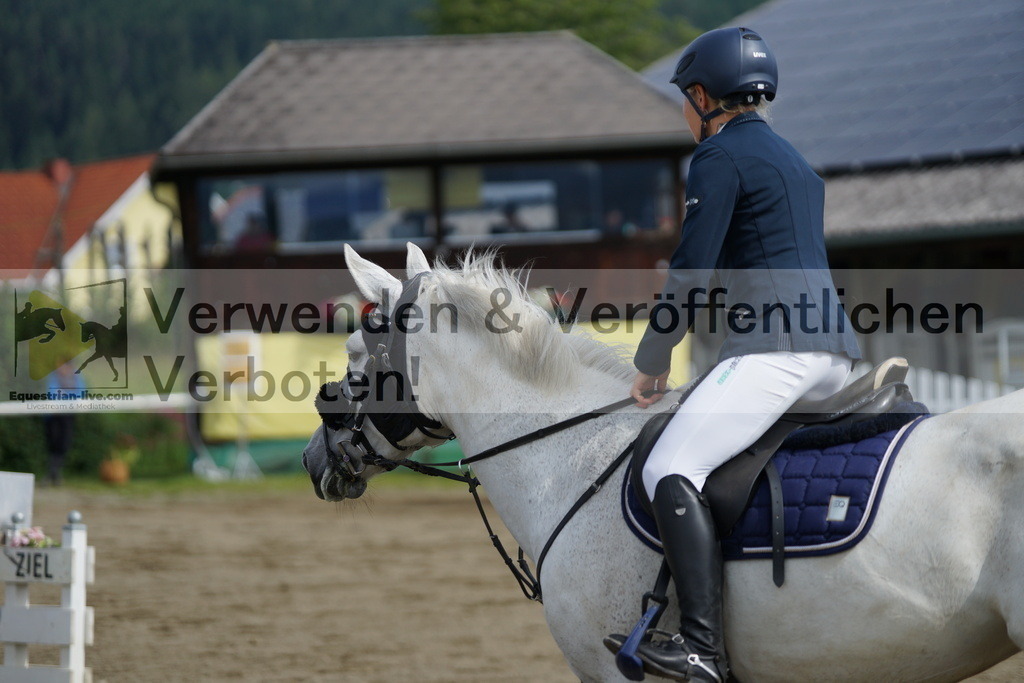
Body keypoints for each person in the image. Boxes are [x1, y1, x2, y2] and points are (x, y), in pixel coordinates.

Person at [604, 28, 861, 682]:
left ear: (701, 95)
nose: (684, 116)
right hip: (834, 352)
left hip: (780, 349)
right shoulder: (793, 160)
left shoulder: (719, 158)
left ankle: (700, 649)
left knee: (669, 464)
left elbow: (692, 267)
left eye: (683, 103)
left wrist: (654, 355)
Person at [43, 362, 86, 486]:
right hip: (53, 416)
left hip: (68, 415)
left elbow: (80, 394)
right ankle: (53, 474)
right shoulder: (53, 377)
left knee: (63, 444)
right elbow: (51, 394)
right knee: (53, 444)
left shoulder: (76, 378)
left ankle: (53, 474)